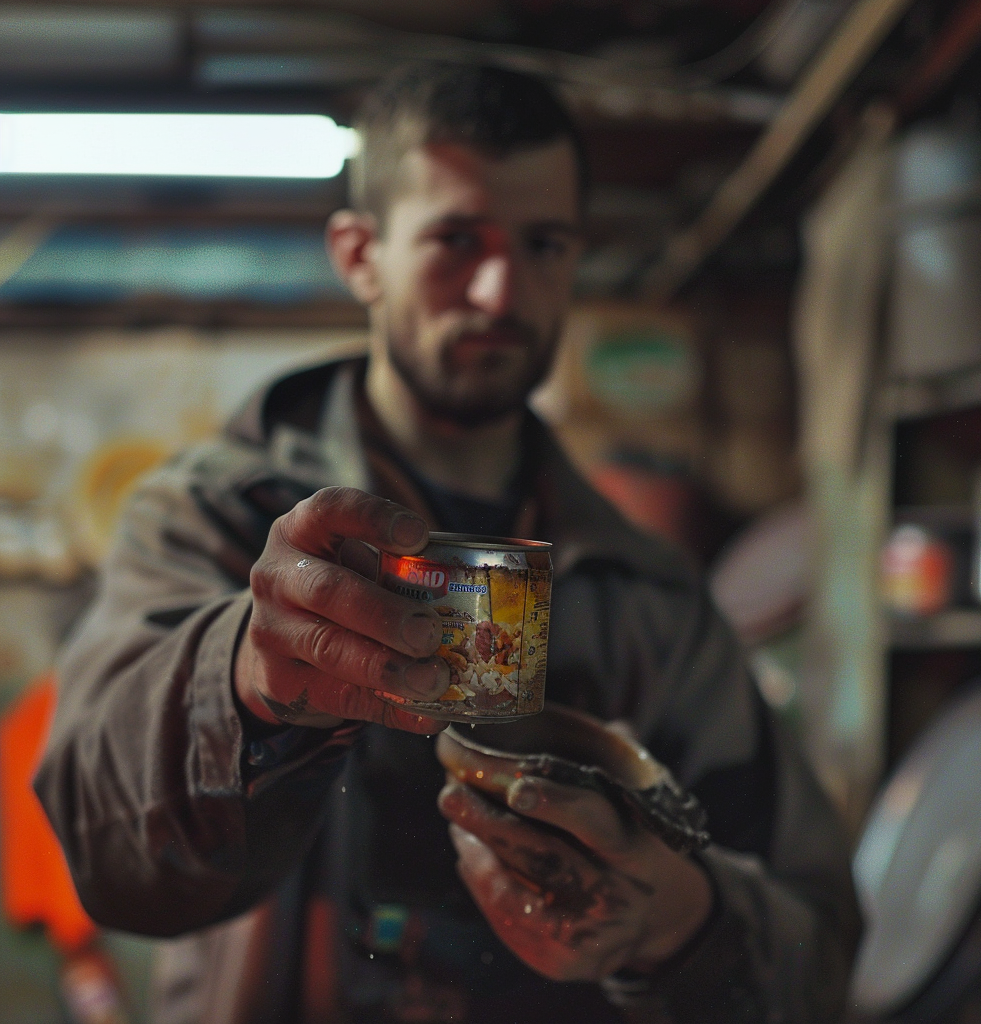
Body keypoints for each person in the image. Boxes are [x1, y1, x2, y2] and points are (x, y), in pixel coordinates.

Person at [35, 62, 860, 1024]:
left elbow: (822, 948)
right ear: (359, 256)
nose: (502, 289)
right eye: (456, 240)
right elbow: (102, 857)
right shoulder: (211, 519)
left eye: (543, 244)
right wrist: (238, 677)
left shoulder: (649, 597)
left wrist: (677, 920)